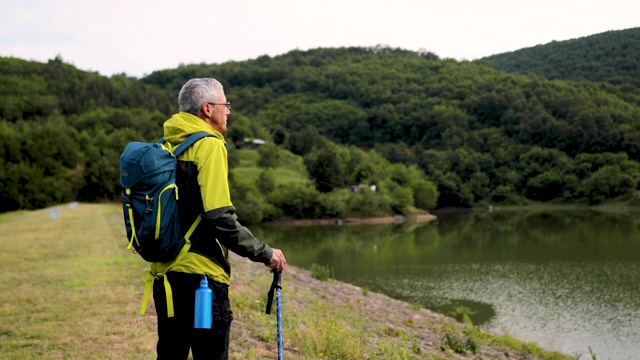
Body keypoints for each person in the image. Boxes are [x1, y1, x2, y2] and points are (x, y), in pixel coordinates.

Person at [151, 78, 287, 359]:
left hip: (165, 274)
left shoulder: (167, 144)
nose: (229, 111)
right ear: (208, 109)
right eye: (226, 105)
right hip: (202, 279)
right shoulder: (209, 145)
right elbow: (219, 218)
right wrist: (266, 253)